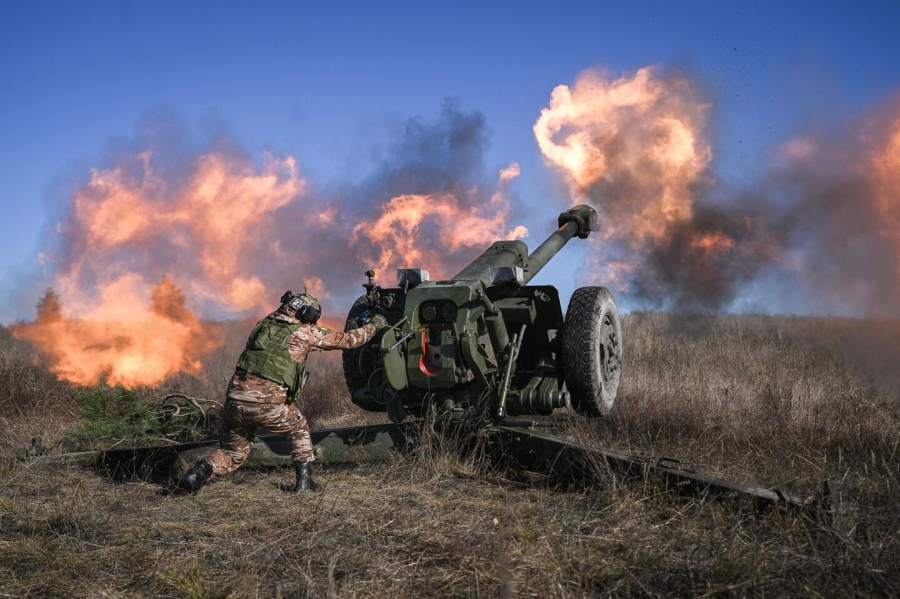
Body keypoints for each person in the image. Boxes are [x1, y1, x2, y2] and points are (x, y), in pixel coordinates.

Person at [176, 291, 386, 493]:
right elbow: (350, 340)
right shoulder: (305, 332)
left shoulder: (263, 325)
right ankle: (305, 483)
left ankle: (195, 475)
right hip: (267, 405)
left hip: (234, 402)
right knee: (299, 427)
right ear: (307, 314)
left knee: (233, 453)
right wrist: (376, 323)